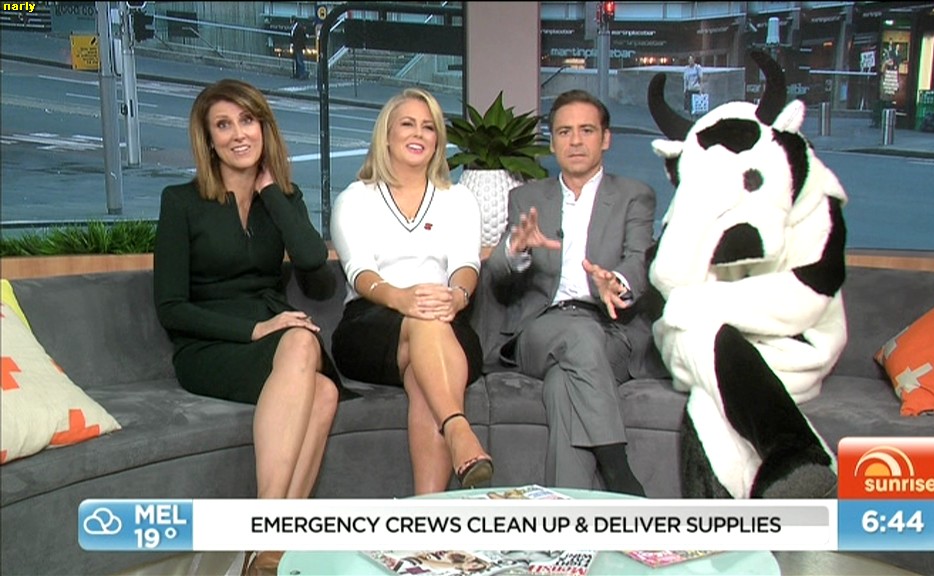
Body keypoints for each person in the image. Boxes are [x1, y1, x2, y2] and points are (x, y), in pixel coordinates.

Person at [153, 79, 341, 576]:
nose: (238, 134)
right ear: (209, 140)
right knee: (301, 342)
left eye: (247, 120)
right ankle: (269, 531)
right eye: (224, 125)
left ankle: (266, 556)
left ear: (263, 127)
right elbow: (171, 307)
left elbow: (312, 259)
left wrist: (272, 192)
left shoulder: (282, 197)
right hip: (211, 346)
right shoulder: (181, 202)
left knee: (324, 392)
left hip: (272, 340)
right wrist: (255, 330)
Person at [482, 89, 657, 496]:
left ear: (606, 138)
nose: (575, 141)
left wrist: (617, 282)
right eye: (564, 132)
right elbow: (498, 276)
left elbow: (639, 260)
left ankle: (567, 516)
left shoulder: (634, 195)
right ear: (553, 142)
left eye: (586, 130)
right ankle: (620, 475)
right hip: (541, 330)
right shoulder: (527, 198)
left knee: (564, 385)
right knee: (577, 336)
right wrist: (516, 249)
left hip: (611, 331)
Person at [330, 88, 491, 495]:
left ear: (437, 140)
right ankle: (457, 428)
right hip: (370, 323)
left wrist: (457, 297)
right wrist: (403, 298)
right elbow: (359, 272)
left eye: (429, 127)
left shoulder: (458, 199)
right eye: (407, 124)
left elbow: (466, 265)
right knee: (424, 322)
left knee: (425, 369)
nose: (419, 133)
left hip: (445, 319)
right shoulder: (355, 199)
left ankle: (426, 513)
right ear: (386, 136)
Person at [289, 16, 309, 80]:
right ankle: (298, 73)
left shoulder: (299, 28)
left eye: (291, 20)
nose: (290, 22)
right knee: (296, 61)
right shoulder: (293, 27)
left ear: (293, 21)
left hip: (298, 46)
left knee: (300, 60)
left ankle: (302, 74)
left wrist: (295, 44)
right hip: (295, 46)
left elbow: (300, 38)